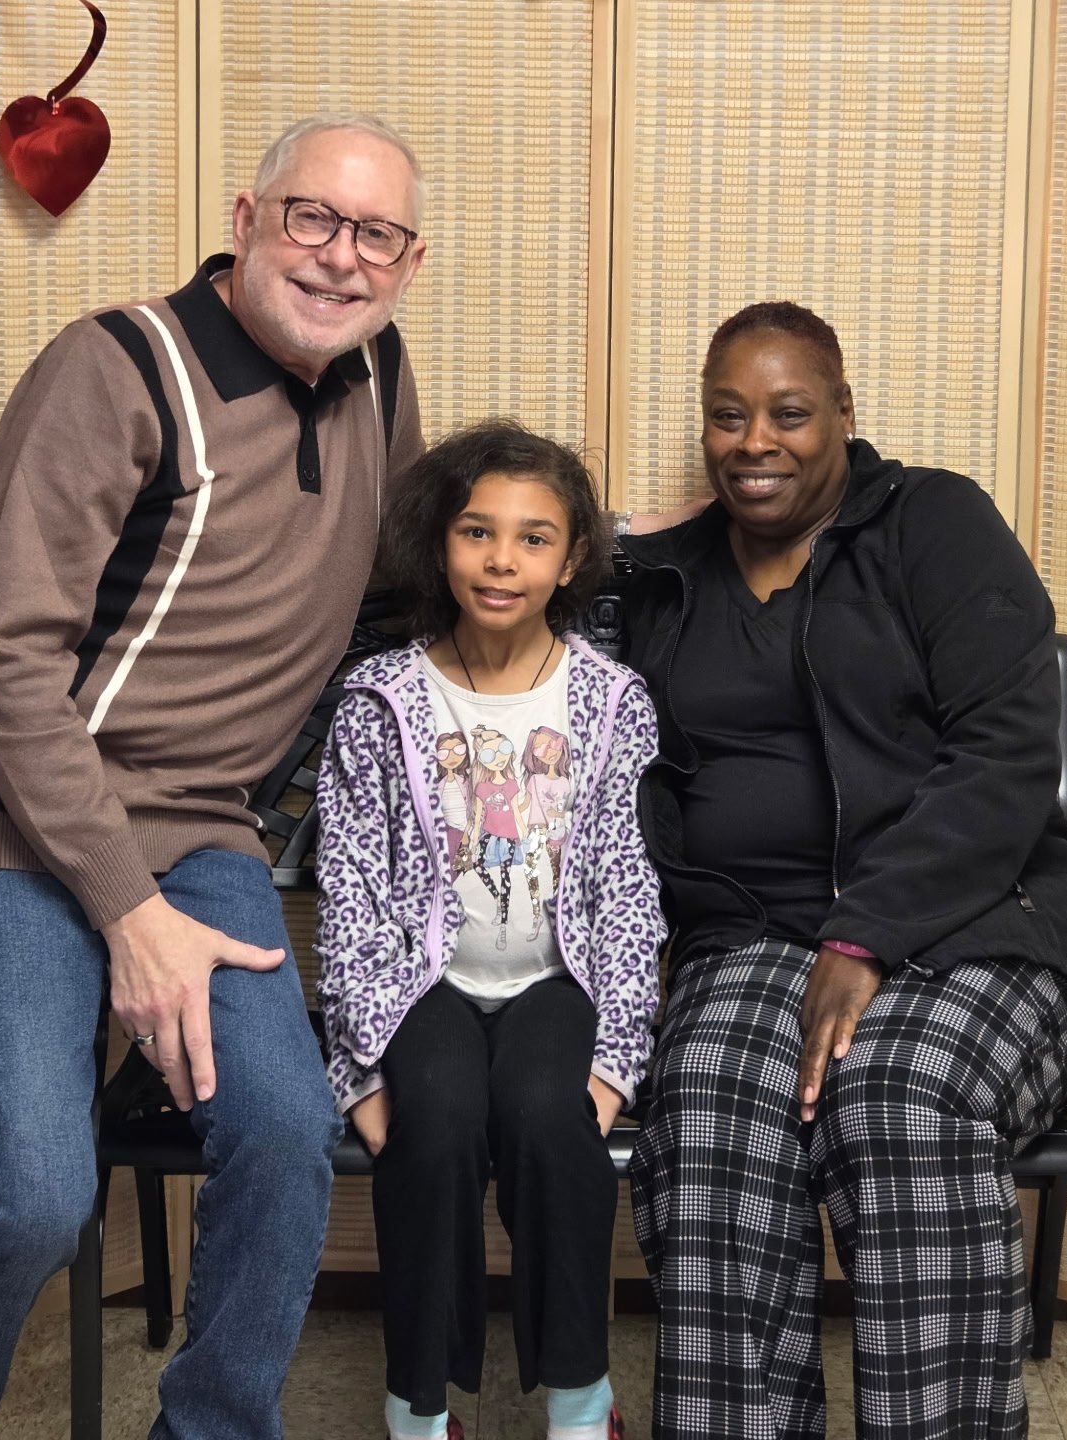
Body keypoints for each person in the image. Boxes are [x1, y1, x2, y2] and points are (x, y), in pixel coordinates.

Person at [0, 112, 427, 1440]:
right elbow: (2, 668)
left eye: (377, 235)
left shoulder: (379, 371)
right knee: (32, 1196)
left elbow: (417, 570)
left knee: (286, 1135)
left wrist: (614, 540)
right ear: (245, 220)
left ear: (408, 263)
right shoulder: (115, 367)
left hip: (197, 823)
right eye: (312, 217)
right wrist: (131, 913)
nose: (340, 257)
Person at [619, 301, 1067, 1440]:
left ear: (845, 413)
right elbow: (501, 567)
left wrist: (864, 934)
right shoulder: (669, 576)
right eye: (727, 416)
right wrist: (618, 533)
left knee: (899, 1096)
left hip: (981, 921)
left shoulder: (933, 522)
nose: (756, 441)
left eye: (790, 413)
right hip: (751, 931)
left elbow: (1007, 749)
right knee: (709, 1116)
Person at [316, 422, 665, 1440]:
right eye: (477, 531)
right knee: (431, 1121)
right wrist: (362, 1067)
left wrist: (616, 1059)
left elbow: (631, 890)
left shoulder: (613, 703)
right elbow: (350, 890)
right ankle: (420, 1408)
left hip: (560, 982)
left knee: (553, 1118)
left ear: (573, 558)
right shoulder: (380, 700)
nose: (502, 559)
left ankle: (581, 1402)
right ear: (440, 543)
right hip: (421, 988)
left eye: (532, 537)